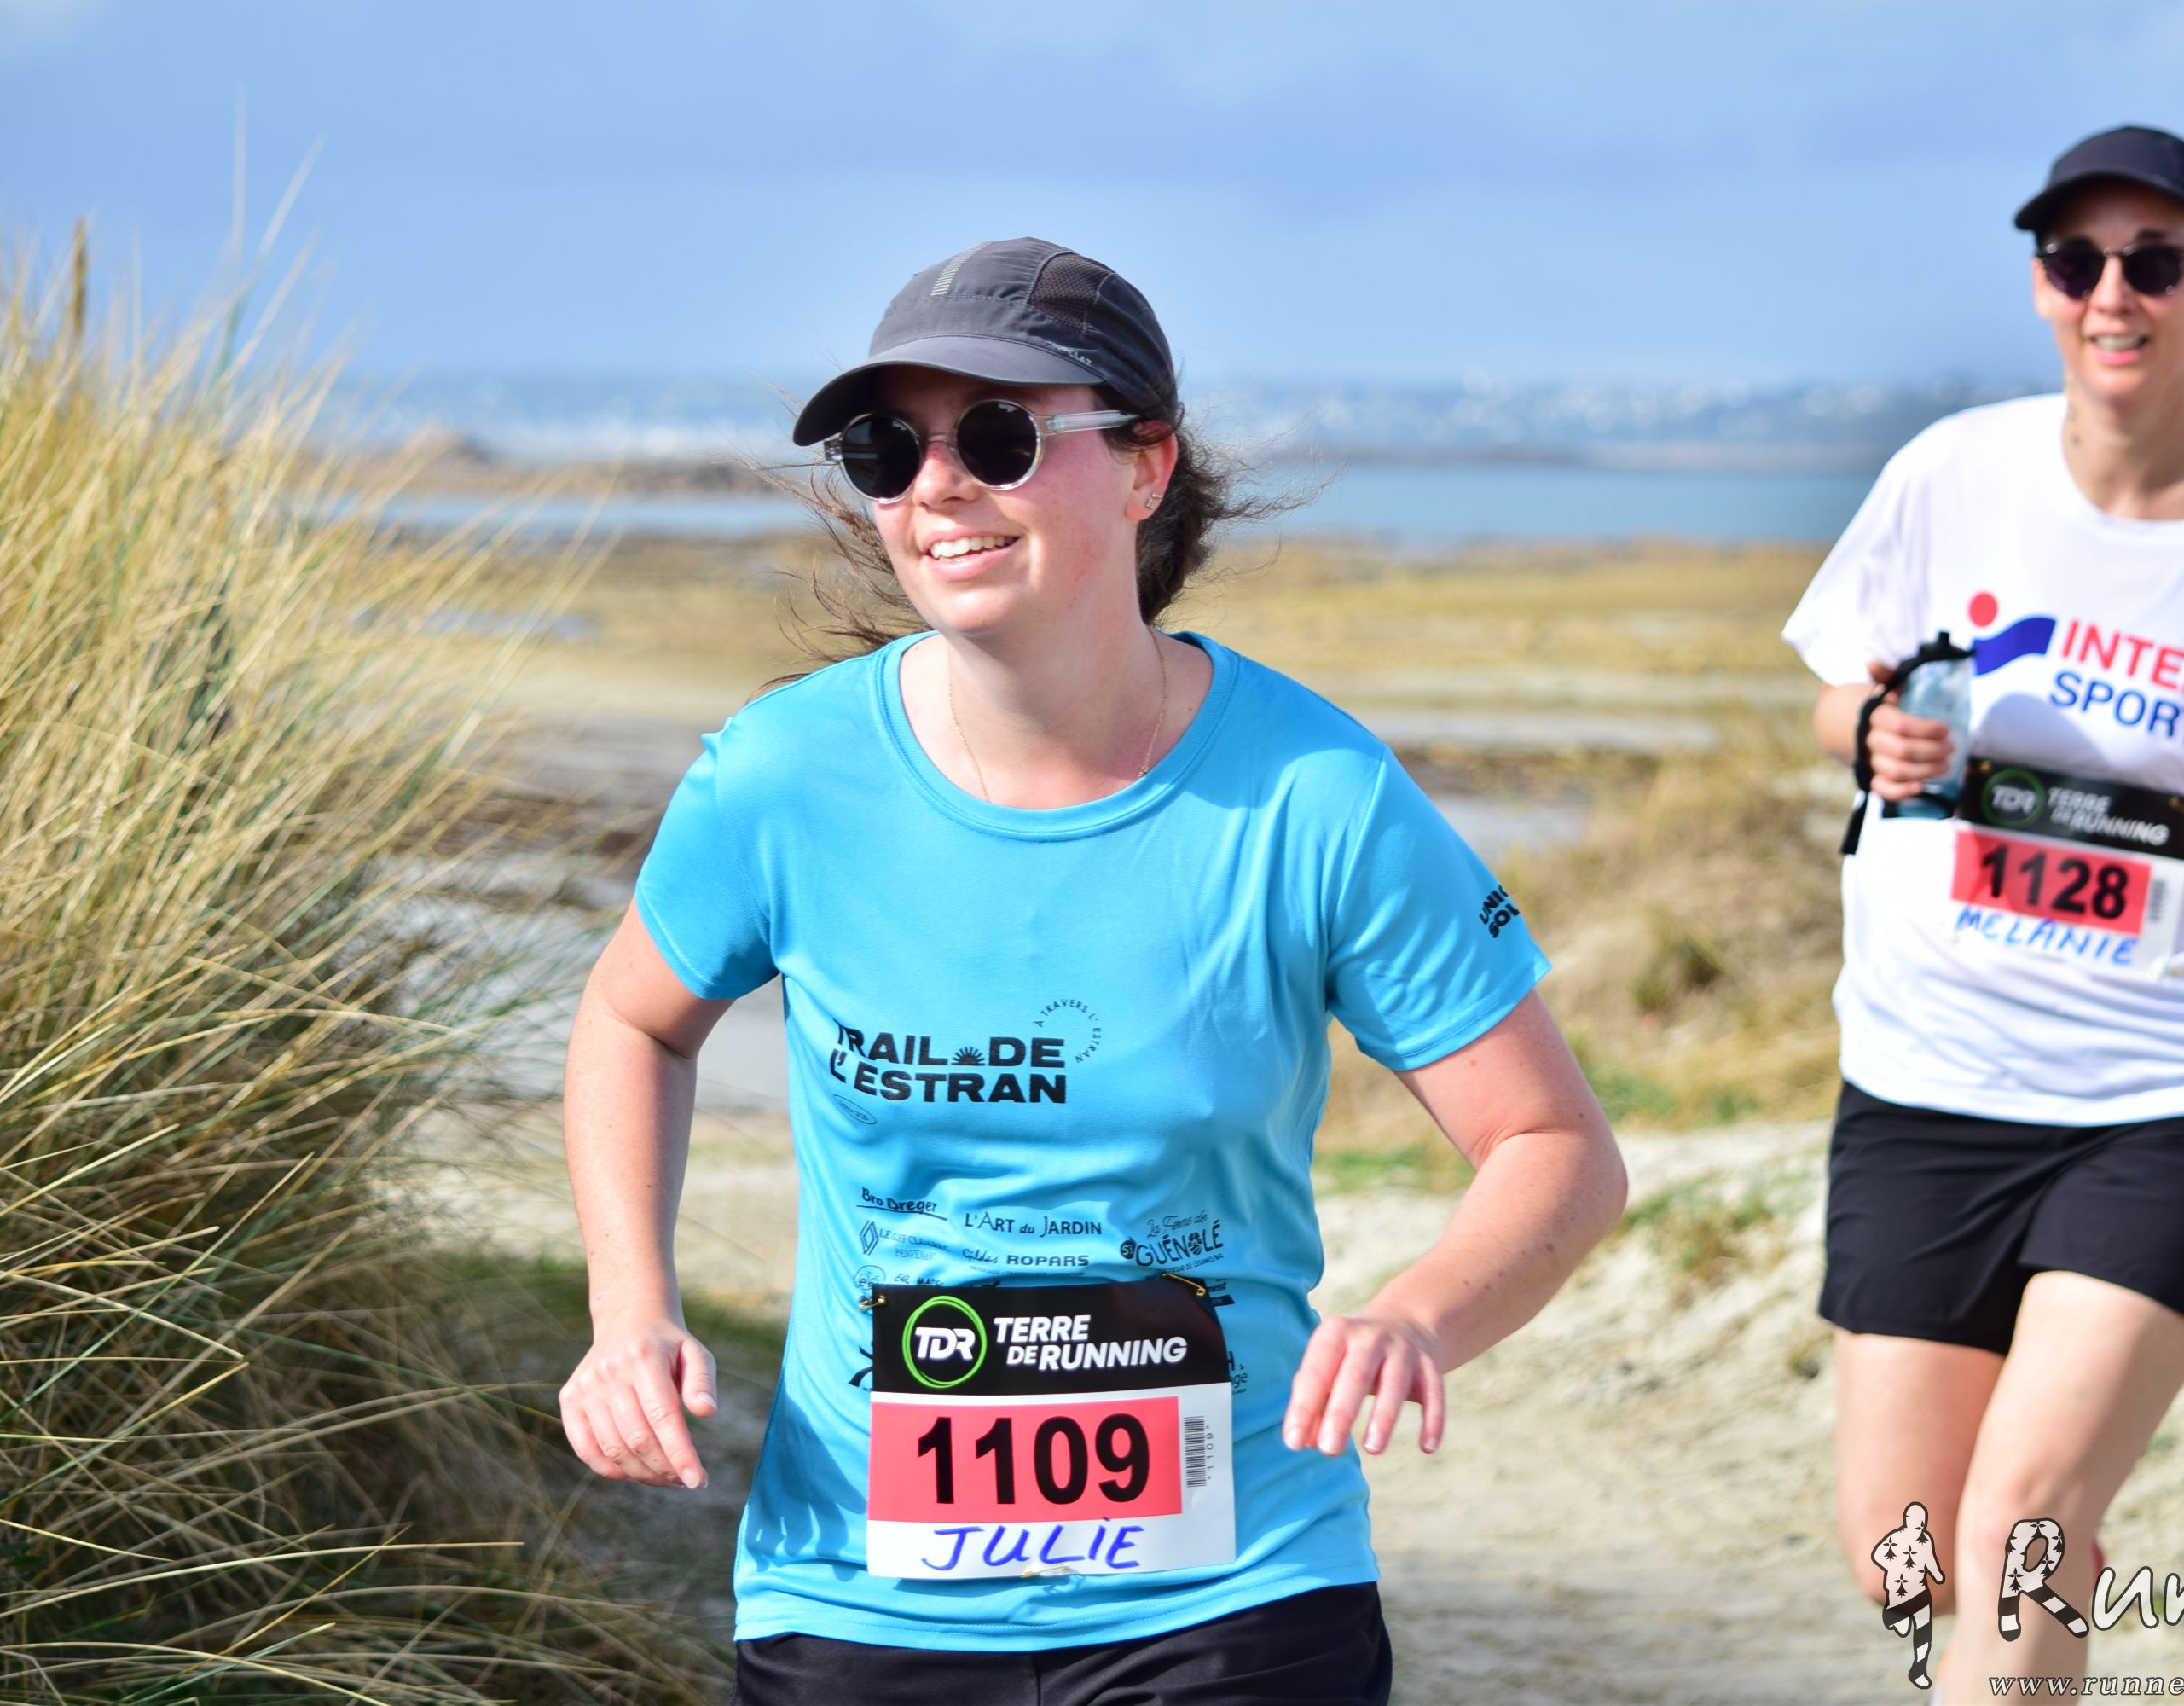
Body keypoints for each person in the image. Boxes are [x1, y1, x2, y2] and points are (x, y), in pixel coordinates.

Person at [552, 237, 1625, 1706]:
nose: (938, 487)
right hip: (857, 1591)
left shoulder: (1313, 795)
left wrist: (1415, 1316)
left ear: (1143, 466)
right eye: (889, 450)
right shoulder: (780, 778)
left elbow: (1555, 1145)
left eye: (1000, 436)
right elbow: (632, 1021)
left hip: (1239, 1596)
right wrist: (631, 1312)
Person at [1781, 128, 2184, 1702]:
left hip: (2180, 1085)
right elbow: (1840, 686)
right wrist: (1872, 732)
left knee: (2022, 1524)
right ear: (2044, 289)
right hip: (1930, 1074)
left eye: (2154, 263)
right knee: (1902, 1549)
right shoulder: (1952, 473)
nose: (2113, 293)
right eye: (2077, 262)